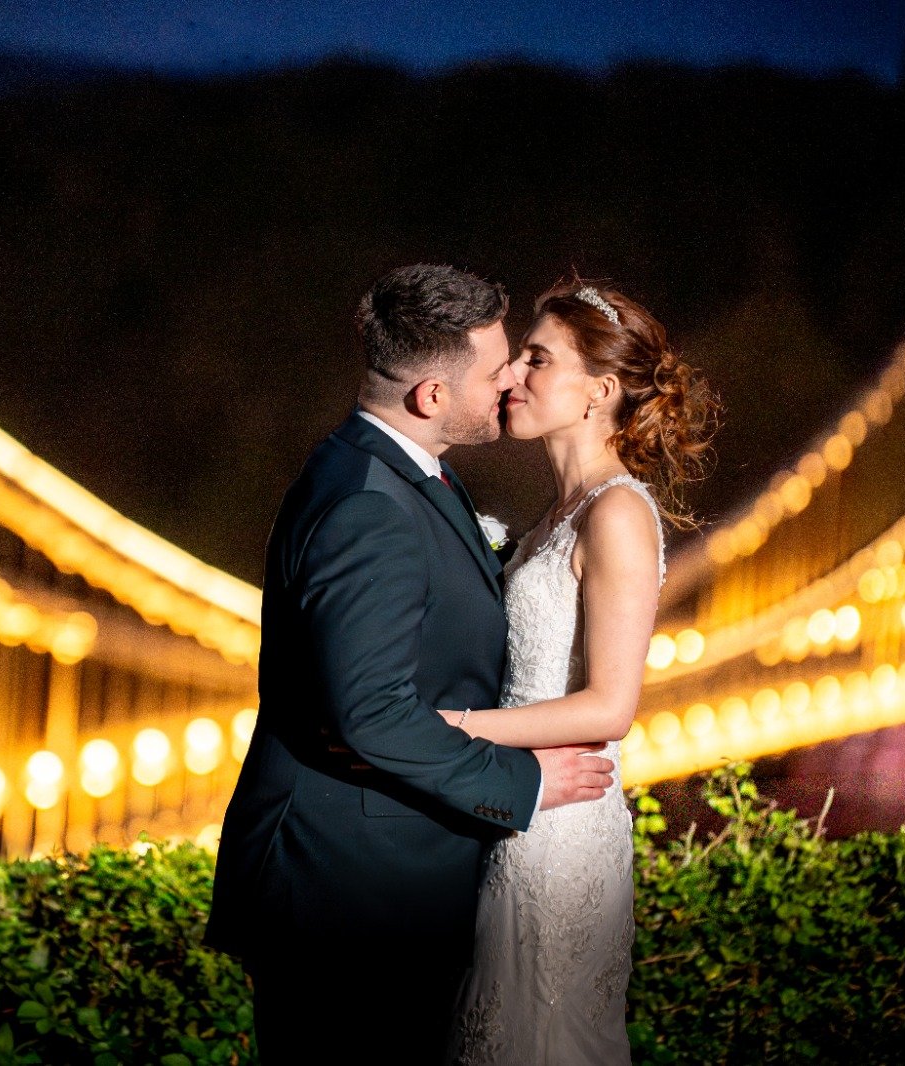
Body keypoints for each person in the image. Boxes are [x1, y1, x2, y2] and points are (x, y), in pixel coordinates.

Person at [205, 264, 617, 1065]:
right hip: (348, 896)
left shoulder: (401, 474)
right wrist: (522, 784)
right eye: (498, 371)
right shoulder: (369, 503)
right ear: (432, 396)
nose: (511, 384)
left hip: (378, 881)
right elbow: (371, 714)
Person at [444, 278, 719, 1065]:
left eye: (537, 359)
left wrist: (453, 730)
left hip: (561, 833)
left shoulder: (618, 513)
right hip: (518, 813)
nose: (512, 376)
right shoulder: (553, 518)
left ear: (599, 391)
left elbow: (609, 707)